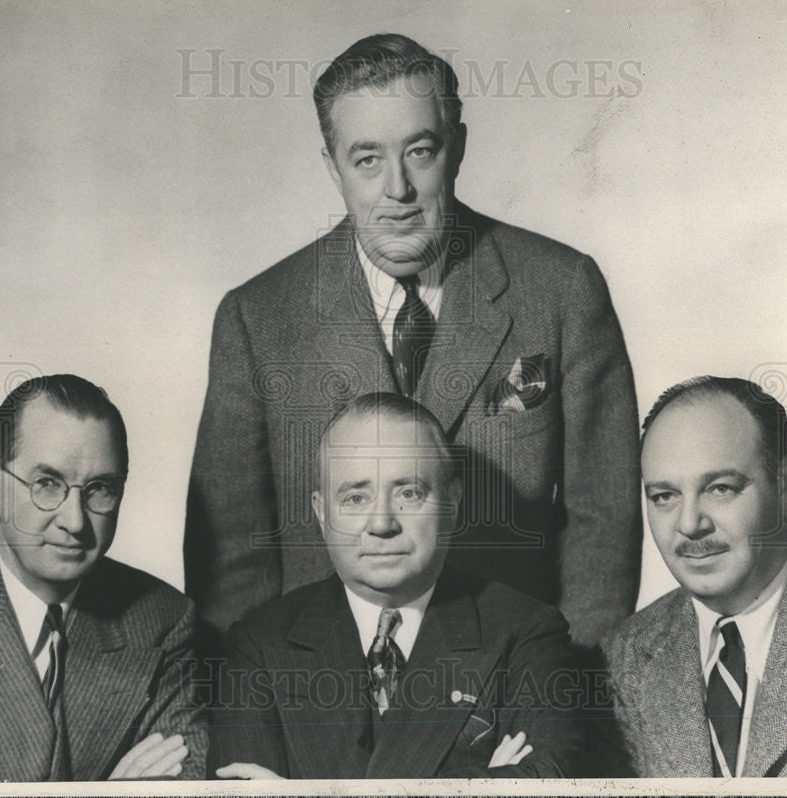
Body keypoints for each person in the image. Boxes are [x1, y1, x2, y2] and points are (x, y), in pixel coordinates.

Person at [186, 33, 641, 654]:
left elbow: (603, 524)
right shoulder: (257, 318)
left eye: (419, 152)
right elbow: (232, 560)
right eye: (367, 159)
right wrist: (258, 719)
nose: (396, 190)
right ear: (332, 166)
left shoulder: (561, 290)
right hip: (320, 710)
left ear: (456, 149)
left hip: (513, 695)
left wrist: (566, 695)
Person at [207, 393, 583, 779]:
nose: (383, 523)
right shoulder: (259, 644)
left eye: (408, 493)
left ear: (452, 503)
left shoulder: (525, 632)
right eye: (355, 497)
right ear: (321, 513)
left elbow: (549, 782)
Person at [0, 374, 206, 782]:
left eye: (99, 488)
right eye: (47, 484)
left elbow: (185, 786)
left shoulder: (164, 620)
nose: (75, 521)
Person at [601, 376, 787, 777]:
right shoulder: (624, 655)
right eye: (664, 496)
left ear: (785, 484)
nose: (689, 524)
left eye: (720, 488)